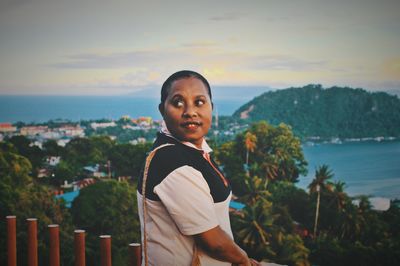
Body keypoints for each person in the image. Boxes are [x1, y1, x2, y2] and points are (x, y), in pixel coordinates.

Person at [137, 70, 260, 266]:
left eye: (199, 102)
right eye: (178, 102)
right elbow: (214, 243)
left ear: (212, 107)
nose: (190, 112)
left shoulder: (193, 151)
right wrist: (245, 261)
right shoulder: (172, 161)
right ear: (162, 110)